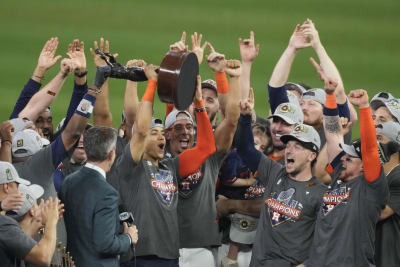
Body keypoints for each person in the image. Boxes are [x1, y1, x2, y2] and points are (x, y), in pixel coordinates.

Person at [109, 60, 216, 266]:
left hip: (169, 255)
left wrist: (199, 103)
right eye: (154, 133)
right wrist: (151, 83)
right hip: (139, 255)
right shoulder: (130, 165)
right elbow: (139, 130)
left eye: (161, 134)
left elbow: (206, 148)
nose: (161, 138)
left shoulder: (171, 166)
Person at [233, 96, 326, 266]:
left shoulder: (320, 193)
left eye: (297, 147)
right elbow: (245, 148)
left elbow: (330, 240)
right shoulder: (274, 172)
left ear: (312, 155)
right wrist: (245, 117)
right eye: (288, 145)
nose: (289, 151)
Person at [302, 82, 388, 266]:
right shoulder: (338, 180)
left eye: (349, 158)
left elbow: (370, 148)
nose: (342, 159)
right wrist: (331, 96)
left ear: (365, 167)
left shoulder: (370, 189)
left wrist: (364, 107)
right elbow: (333, 136)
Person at [61, 126, 138, 267]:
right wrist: (128, 237)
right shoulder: (107, 193)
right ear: (111, 155)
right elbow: (105, 244)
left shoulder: (68, 181)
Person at [0, 161, 60, 267]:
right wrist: (52, 221)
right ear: (6, 187)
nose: (19, 192)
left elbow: (17, 244)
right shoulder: (3, 223)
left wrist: (36, 222)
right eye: (17, 186)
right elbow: (44, 257)